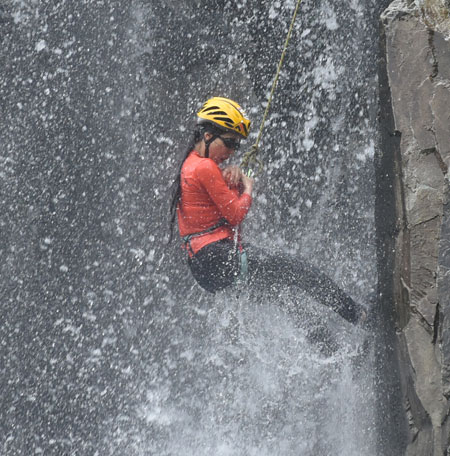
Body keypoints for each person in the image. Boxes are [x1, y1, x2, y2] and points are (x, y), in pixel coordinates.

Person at [169, 96, 366, 325]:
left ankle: (330, 352)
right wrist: (248, 188)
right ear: (208, 135)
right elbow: (235, 214)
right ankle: (359, 316)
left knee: (288, 301)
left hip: (206, 265)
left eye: (238, 145)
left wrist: (233, 183)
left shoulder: (191, 164)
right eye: (230, 143)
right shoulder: (205, 167)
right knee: (299, 270)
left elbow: (218, 209)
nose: (233, 151)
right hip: (218, 257)